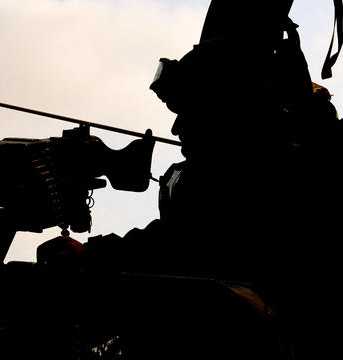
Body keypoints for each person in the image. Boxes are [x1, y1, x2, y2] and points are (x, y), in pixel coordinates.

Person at [86, 0, 342, 358]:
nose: (177, 128)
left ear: (234, 110)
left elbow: (189, 243)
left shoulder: (279, 174)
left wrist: (94, 258)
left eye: (193, 111)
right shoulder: (237, 170)